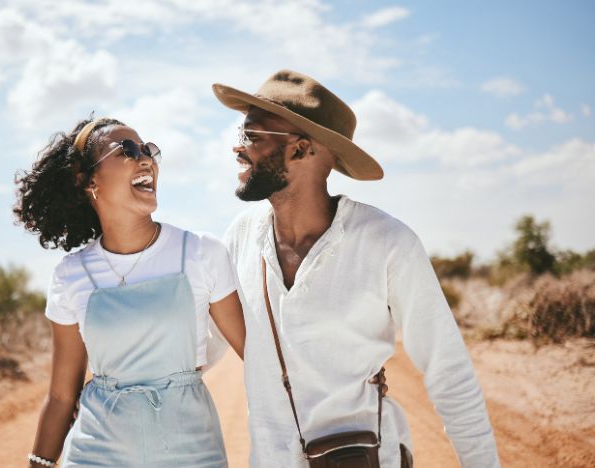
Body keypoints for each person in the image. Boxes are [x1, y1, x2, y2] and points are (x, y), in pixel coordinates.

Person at [212, 70, 501, 467]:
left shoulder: (387, 243)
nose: (237, 147)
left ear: (299, 150)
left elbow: (448, 372)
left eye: (252, 135)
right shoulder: (240, 237)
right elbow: (205, 344)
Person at [13, 117, 245, 467]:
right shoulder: (71, 275)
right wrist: (39, 463)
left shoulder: (199, 253)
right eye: (128, 150)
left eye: (150, 151)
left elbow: (258, 357)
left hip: (191, 450)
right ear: (86, 179)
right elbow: (62, 396)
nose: (146, 159)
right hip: (97, 452)